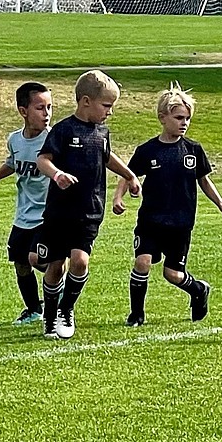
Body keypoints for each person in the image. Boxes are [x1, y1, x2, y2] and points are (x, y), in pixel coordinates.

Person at [114, 83, 222, 327]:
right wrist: (118, 197)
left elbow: (204, 180)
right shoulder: (148, 150)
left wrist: (221, 204)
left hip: (180, 223)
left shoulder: (193, 150)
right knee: (142, 262)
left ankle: (198, 290)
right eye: (179, 117)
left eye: (187, 118)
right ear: (162, 118)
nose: (184, 123)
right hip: (151, 220)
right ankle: (136, 314)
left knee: (173, 274)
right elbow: (128, 175)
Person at [35, 70, 141, 340]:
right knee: (55, 266)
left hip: (89, 210)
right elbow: (43, 160)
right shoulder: (63, 130)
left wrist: (129, 175)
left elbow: (106, 156)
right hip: (60, 212)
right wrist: (57, 175)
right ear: (85, 101)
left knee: (80, 261)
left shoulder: (102, 132)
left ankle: (66, 310)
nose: (110, 112)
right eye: (106, 106)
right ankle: (49, 316)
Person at [0, 82, 53, 325]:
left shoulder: (53, 140)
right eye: (40, 108)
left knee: (36, 259)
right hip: (23, 215)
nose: (47, 114)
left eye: (49, 107)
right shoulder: (15, 140)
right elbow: (11, 164)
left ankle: (58, 283)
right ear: (23, 111)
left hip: (48, 215)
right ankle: (33, 309)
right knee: (20, 264)